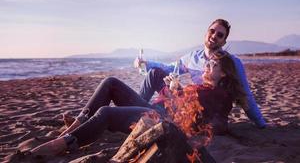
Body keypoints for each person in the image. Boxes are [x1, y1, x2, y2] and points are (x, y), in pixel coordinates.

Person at [28, 51, 240, 157]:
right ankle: (79, 123)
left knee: (106, 112)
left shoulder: (218, 93)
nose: (206, 65)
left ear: (224, 73)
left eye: (213, 64)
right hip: (159, 111)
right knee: (111, 82)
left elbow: (190, 115)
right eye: (208, 61)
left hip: (163, 122)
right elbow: (184, 103)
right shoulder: (205, 87)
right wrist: (172, 89)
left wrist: (174, 91)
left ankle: (66, 142)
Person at [134, 19, 266, 128]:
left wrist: (261, 124)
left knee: (163, 106)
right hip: (190, 102)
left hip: (209, 113)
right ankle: (135, 111)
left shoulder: (231, 63)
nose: (214, 36)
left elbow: (246, 95)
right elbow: (169, 68)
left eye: (220, 35)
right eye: (212, 31)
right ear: (206, 33)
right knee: (154, 73)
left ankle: (138, 115)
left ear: (224, 42)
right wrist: (145, 63)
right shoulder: (192, 57)